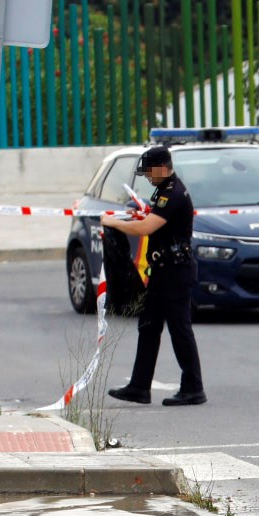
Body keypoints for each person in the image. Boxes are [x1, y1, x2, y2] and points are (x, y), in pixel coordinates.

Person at [106, 144, 205, 406]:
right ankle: (139, 387)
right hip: (162, 273)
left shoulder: (173, 193)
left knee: (180, 329)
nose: (147, 176)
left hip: (176, 272)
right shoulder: (163, 190)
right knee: (148, 327)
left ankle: (193, 388)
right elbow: (155, 220)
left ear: (162, 167)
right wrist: (135, 215)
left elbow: (147, 227)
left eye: (150, 171)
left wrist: (114, 222)